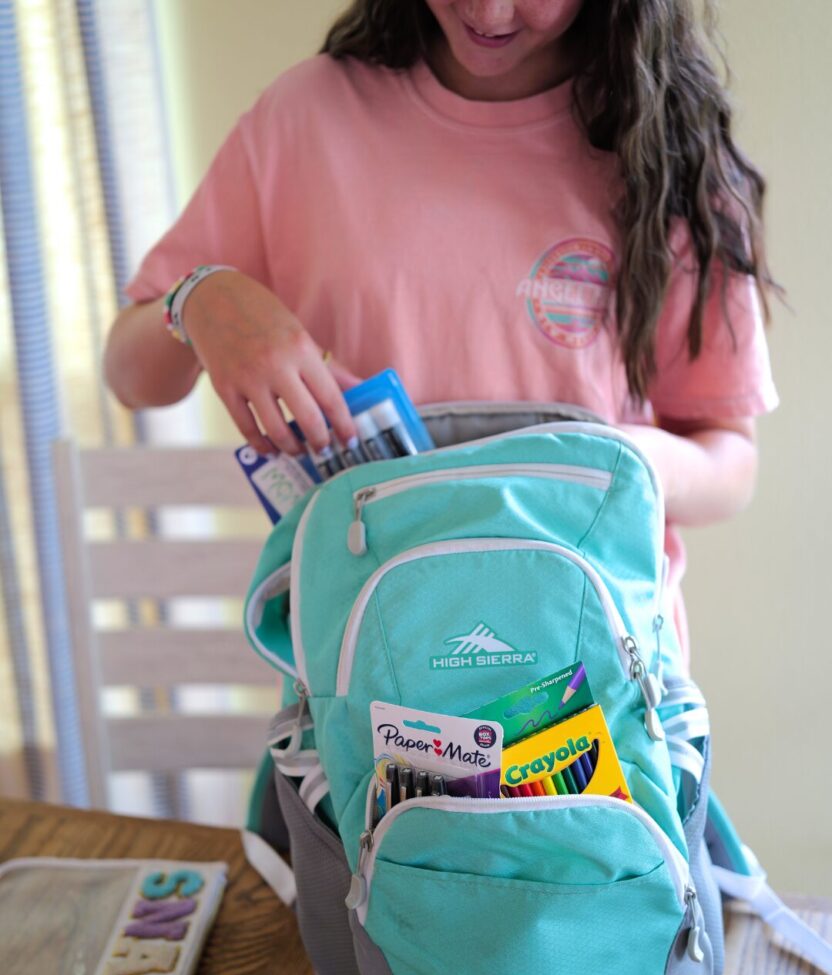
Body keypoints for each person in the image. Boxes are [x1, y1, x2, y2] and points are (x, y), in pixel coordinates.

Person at [104, 0, 778, 656]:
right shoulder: (306, 118)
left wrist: (605, 464)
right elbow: (130, 376)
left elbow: (730, 462)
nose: (488, 12)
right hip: (365, 678)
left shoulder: (667, 151)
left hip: (594, 678)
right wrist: (200, 300)